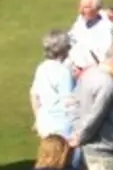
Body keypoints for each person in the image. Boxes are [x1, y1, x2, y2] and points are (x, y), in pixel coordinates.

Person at [68, 42, 113, 170]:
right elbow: (95, 116)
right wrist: (81, 136)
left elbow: (72, 102)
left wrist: (76, 130)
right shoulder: (107, 84)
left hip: (88, 149)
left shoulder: (89, 73)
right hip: (102, 151)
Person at [30, 30, 78, 168]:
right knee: (66, 163)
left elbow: (34, 95)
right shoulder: (63, 72)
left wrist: (38, 118)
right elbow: (69, 102)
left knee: (47, 160)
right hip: (63, 126)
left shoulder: (42, 68)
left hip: (45, 125)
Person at [68, 0, 113, 76]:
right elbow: (72, 38)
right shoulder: (82, 19)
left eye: (86, 8)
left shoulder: (105, 29)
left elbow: (103, 60)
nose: (80, 11)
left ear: (97, 10)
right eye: (80, 6)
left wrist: (83, 71)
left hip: (90, 74)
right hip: (73, 69)